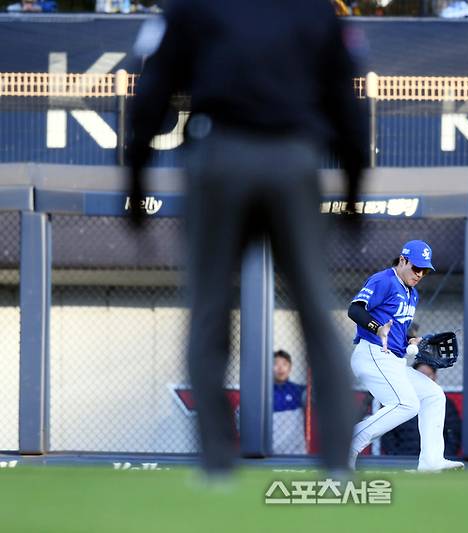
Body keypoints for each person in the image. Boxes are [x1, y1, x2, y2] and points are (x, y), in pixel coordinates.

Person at [126, 0, 368, 476]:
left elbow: (152, 86)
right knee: (316, 309)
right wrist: (355, 192)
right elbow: (345, 97)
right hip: (294, 158)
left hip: (220, 155)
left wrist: (133, 181)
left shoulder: (191, 4)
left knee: (210, 308)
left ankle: (217, 466)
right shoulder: (316, 8)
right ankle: (338, 465)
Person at [346, 240, 464, 472]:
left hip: (393, 360)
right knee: (406, 404)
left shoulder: (412, 293)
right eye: (416, 267)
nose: (419, 274)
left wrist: (412, 339)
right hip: (372, 354)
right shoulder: (384, 280)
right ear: (403, 260)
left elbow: (398, 328)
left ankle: (431, 462)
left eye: (424, 270)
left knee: (433, 395)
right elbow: (355, 309)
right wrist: (376, 327)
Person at [380, 362, 462, 457]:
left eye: (428, 375)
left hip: (433, 457)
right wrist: (396, 456)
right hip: (404, 456)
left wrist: (444, 456)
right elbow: (387, 432)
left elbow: (454, 432)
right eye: (420, 375)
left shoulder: (445, 403)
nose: (424, 380)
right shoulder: (399, 401)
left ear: (435, 377)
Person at [272, 350, 307, 455]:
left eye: (284, 364)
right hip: (271, 450)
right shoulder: (262, 392)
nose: (280, 368)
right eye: (275, 364)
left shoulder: (299, 391)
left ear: (290, 367)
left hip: (295, 451)